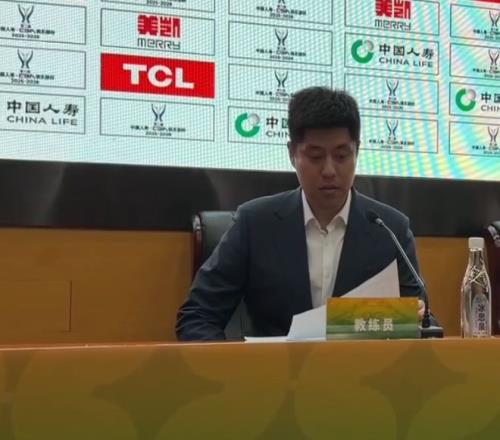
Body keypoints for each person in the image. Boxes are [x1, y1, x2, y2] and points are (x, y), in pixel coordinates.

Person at [176, 86, 428, 341]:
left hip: (360, 366)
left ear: (357, 151)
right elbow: (197, 315)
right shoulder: (255, 223)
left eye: (342, 156)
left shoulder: (389, 229)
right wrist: (236, 364)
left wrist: (417, 322)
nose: (329, 170)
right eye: (315, 156)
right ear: (292, 154)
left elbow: (426, 325)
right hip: (275, 366)